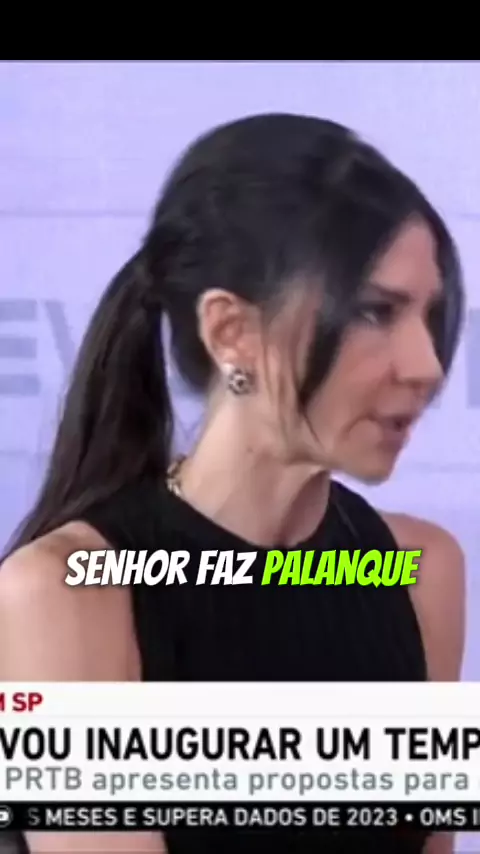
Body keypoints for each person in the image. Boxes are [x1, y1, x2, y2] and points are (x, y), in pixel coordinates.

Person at [0, 113, 465, 854]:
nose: (427, 366)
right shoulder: (67, 594)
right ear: (230, 332)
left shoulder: (420, 572)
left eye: (429, 316)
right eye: (376, 312)